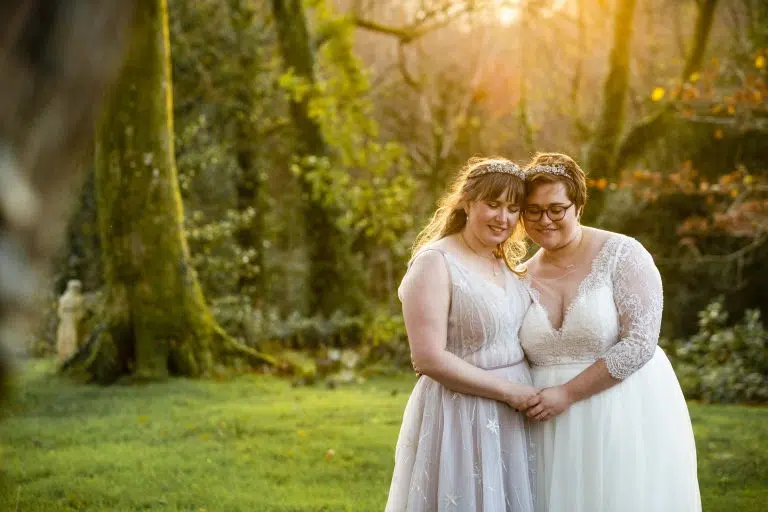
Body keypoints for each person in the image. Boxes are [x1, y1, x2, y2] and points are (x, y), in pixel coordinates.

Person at [518, 152, 701, 511]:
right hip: (542, 422)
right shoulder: (518, 274)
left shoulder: (622, 254)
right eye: (533, 210)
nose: (545, 220)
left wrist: (568, 393)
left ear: (578, 205)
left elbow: (640, 342)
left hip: (617, 410)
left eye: (557, 209)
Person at [386, 157, 537, 511]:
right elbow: (427, 358)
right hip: (461, 412)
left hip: (514, 412)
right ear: (467, 202)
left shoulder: (506, 261)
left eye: (513, 208)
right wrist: (508, 391)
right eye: (493, 204)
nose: (503, 218)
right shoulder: (435, 262)